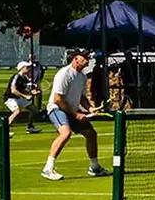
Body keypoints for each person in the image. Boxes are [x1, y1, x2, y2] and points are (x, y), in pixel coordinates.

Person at [43, 49, 108, 181]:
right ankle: (48, 168)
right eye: (83, 58)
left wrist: (90, 108)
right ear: (75, 59)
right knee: (65, 133)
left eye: (87, 59)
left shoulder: (82, 76)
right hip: (56, 109)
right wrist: (76, 115)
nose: (86, 61)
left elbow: (82, 97)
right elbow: (58, 99)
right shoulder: (64, 74)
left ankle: (94, 167)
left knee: (91, 134)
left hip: (71, 109)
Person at [3, 61, 41, 134]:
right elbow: (13, 90)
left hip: (18, 98)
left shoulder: (24, 78)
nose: (29, 69)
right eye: (27, 67)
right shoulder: (16, 76)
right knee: (17, 111)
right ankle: (5, 130)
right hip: (10, 98)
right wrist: (25, 96)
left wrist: (31, 93)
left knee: (34, 109)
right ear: (21, 68)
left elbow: (23, 90)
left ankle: (30, 127)